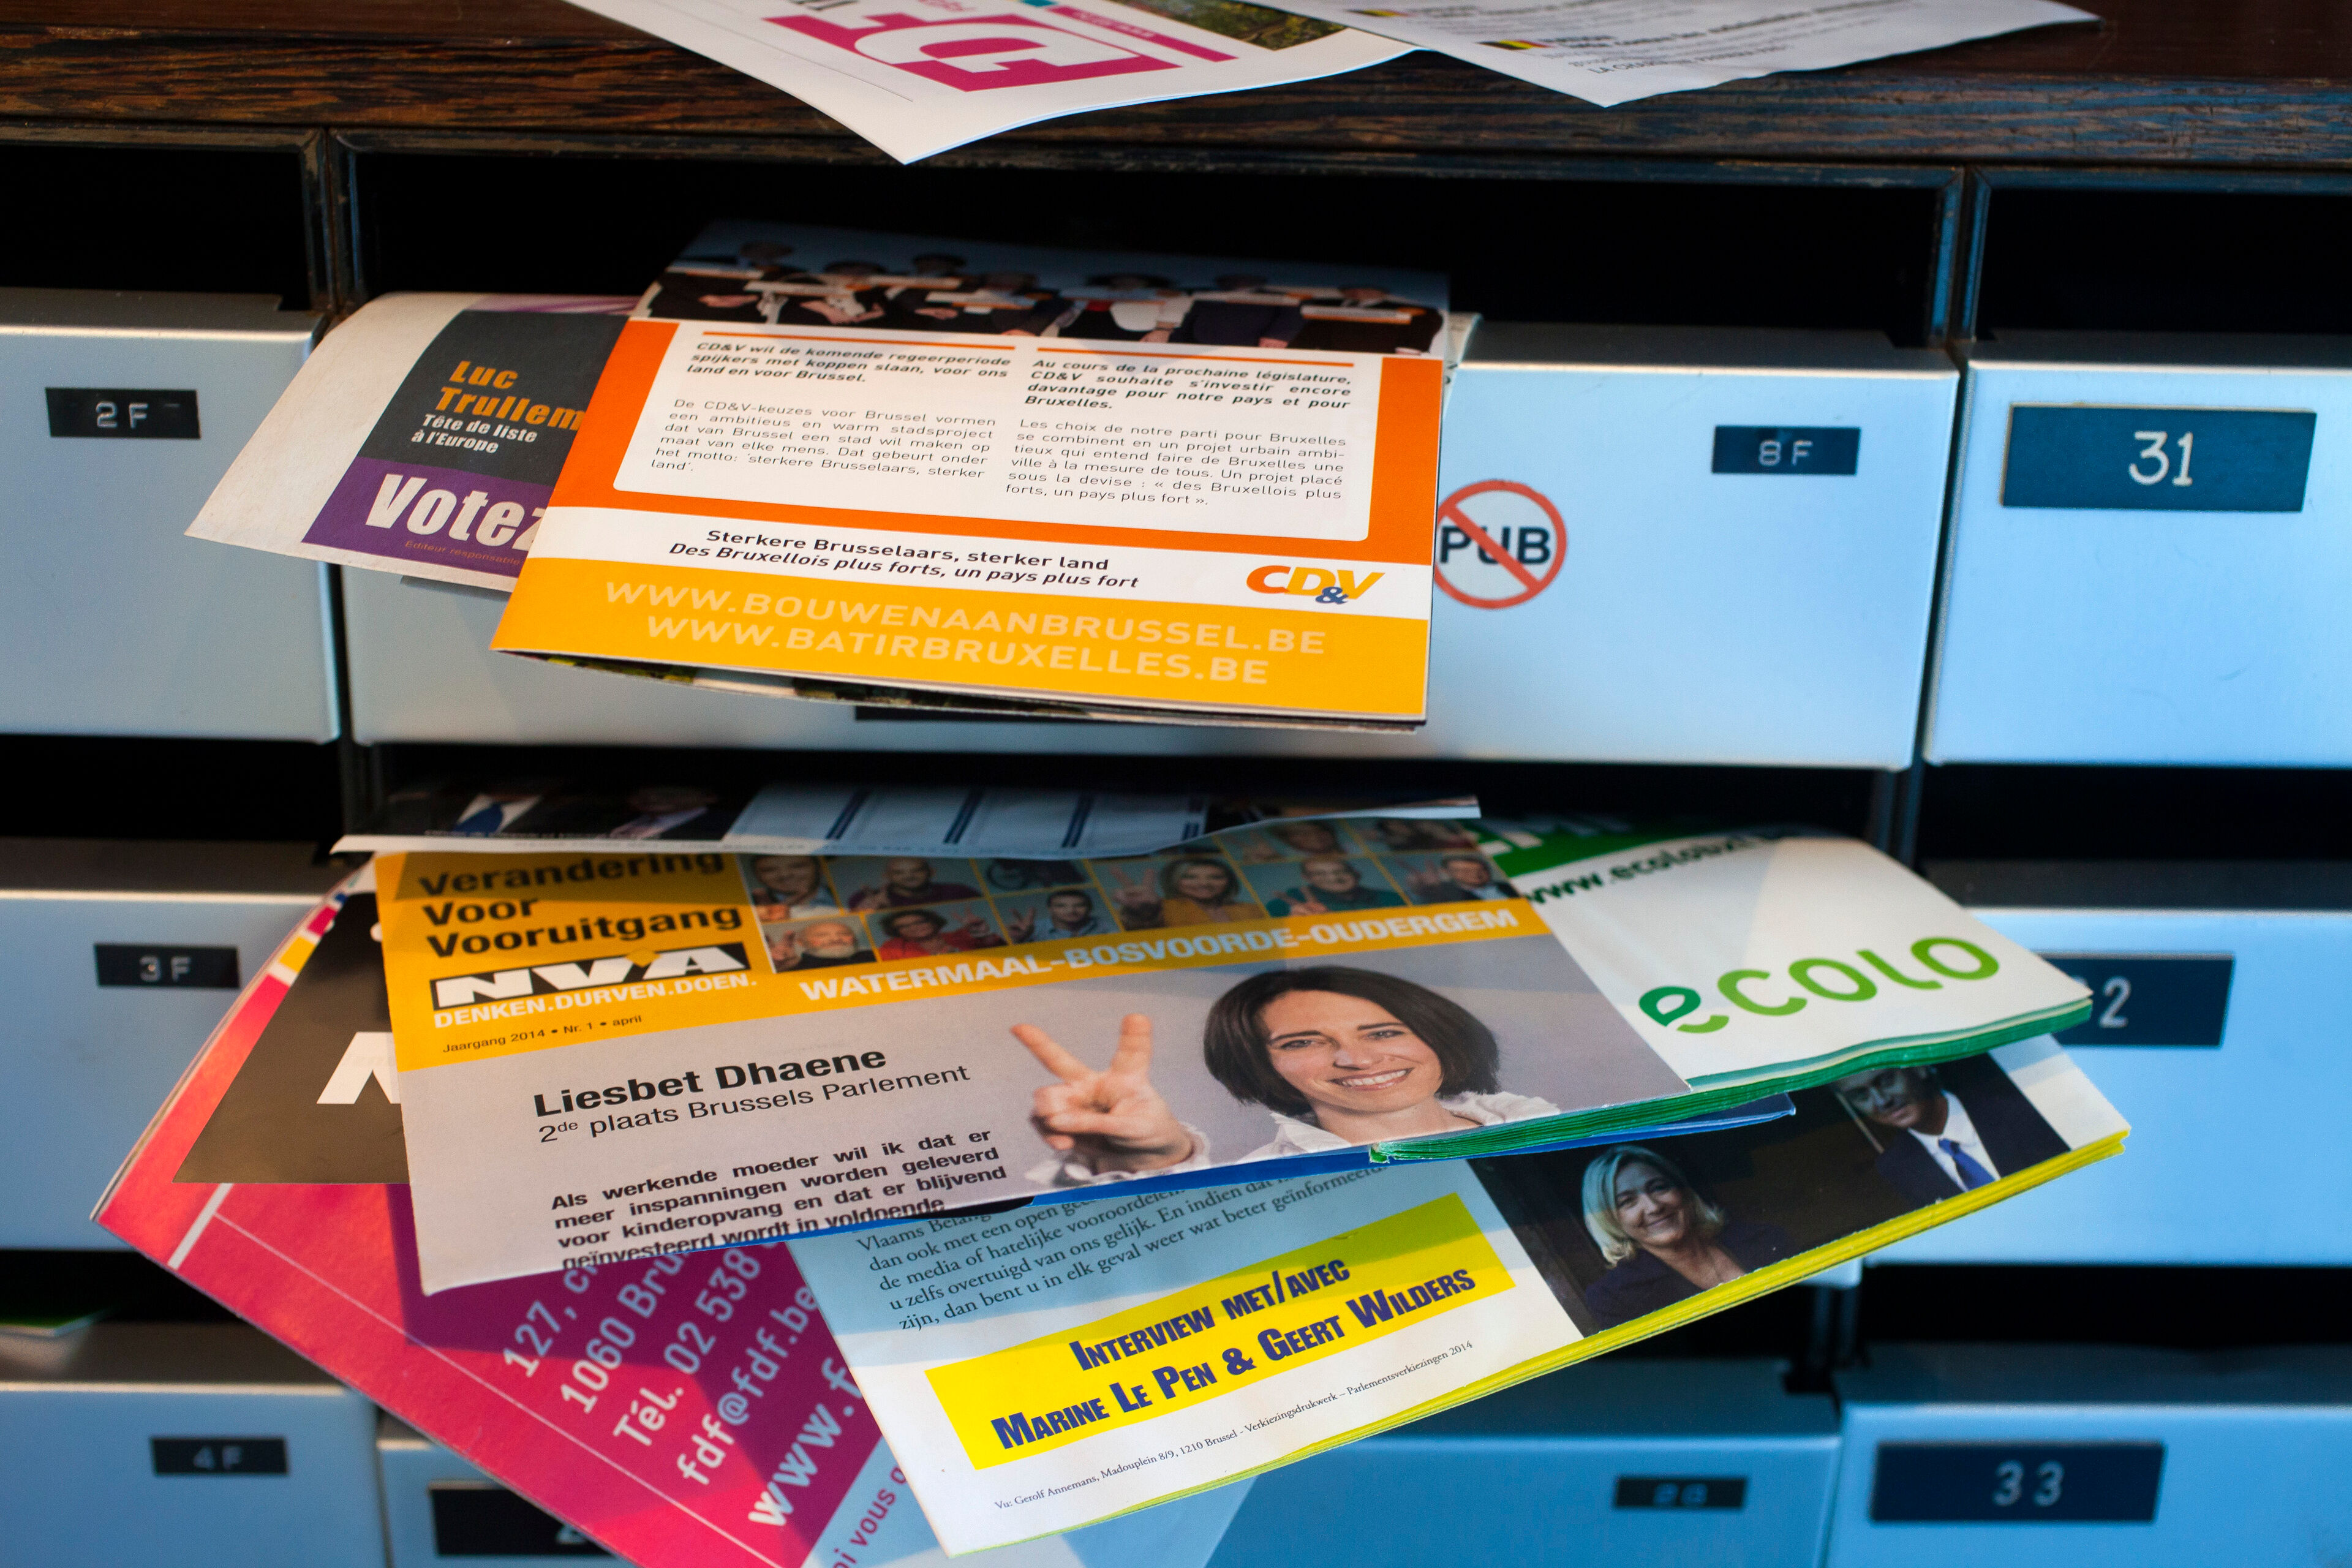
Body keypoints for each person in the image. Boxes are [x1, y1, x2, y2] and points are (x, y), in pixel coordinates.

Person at [1016, 967, 1557, 1184]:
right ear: (1261, 1064)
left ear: (1438, 1035)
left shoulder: (1541, 1121)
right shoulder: (1260, 1181)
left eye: (1383, 1032)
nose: (1357, 1059)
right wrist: (1152, 1159)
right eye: (1303, 1042)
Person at [1578, 1145, 1795, 1330]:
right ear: (1610, 1221)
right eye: (1627, 1202)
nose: (1654, 1207)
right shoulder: (1614, 1297)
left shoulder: (1766, 1238)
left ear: (1684, 1191)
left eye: (1659, 1188)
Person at [1835, 1058, 2069, 1205]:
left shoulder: (2015, 1107)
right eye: (1861, 1095)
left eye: (1886, 1080)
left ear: (1919, 1068)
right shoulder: (1893, 1169)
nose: (1881, 1101)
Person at [1106, 856, 1261, 929]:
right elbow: (1141, 927)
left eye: (1216, 877)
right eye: (1190, 877)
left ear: (1229, 882)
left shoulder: (1251, 910)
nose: (1204, 884)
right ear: (1175, 881)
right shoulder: (1161, 908)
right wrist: (1146, 911)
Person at [1290, 287, 1443, 355]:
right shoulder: (1320, 305)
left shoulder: (1418, 313)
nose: (1358, 289)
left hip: (1373, 374)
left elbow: (1409, 356)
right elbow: (1301, 342)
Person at [1170, 274, 1302, 348]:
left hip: (1248, 347)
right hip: (1197, 344)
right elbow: (1188, 318)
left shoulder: (1280, 291)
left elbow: (1297, 309)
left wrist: (1279, 335)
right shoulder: (1200, 288)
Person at [1264, 856, 1403, 916]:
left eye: (1341, 872)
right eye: (1320, 874)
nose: (1334, 878)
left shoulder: (1392, 899)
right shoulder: (1283, 905)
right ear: (1306, 878)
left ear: (1356, 874)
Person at [846, 857, 983, 910]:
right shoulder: (863, 898)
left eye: (917, 871)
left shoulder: (960, 892)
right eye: (899, 873)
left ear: (932, 872)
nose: (909, 877)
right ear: (886, 876)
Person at [875, 907, 1003, 960]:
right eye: (904, 926)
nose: (914, 928)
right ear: (897, 932)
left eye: (920, 922)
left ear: (934, 922)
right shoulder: (893, 947)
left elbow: (997, 949)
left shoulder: (962, 935)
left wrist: (982, 931)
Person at [1005, 888, 1114, 943]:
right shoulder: (1033, 929)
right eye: (1061, 906)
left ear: (1090, 908)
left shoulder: (1103, 924)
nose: (1071, 911)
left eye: (1079, 905)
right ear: (1050, 909)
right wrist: (1021, 939)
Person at [746, 854, 839, 919]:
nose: (785, 875)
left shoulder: (842, 895)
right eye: (770, 870)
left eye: (797, 866)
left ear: (820, 868)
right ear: (757, 876)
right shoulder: (751, 906)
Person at [1406, 852, 1515, 903]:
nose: (1475, 874)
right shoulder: (1442, 892)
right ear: (1447, 872)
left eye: (1480, 869)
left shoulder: (1509, 887)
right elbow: (1423, 900)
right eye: (1465, 871)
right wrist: (1418, 890)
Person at [769, 919, 874, 970]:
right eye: (822, 935)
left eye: (844, 934)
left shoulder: (873, 956)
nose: (836, 939)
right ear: (801, 942)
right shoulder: (796, 969)